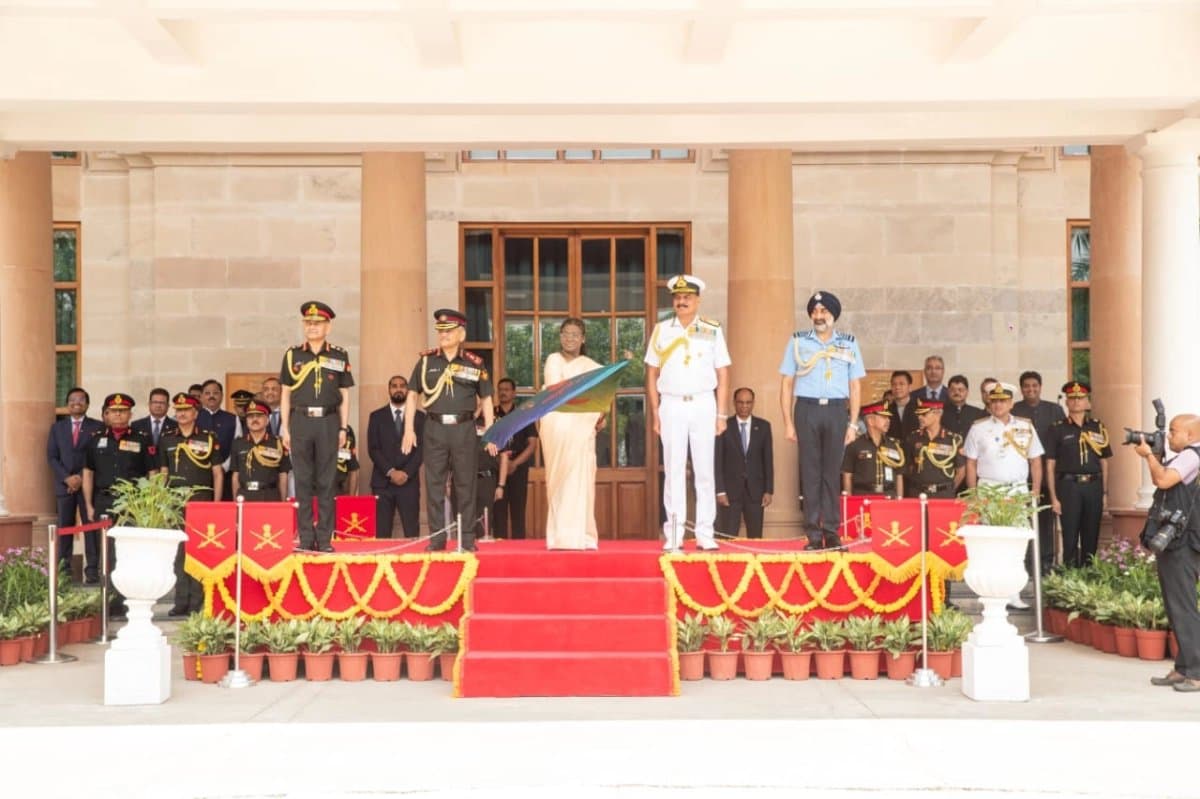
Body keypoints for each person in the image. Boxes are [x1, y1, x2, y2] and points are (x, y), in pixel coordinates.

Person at [645, 276, 731, 552]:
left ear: (697, 300)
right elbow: (651, 372)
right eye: (678, 298)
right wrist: (656, 412)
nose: (681, 302)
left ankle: (705, 532)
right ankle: (674, 533)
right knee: (673, 470)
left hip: (704, 403)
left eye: (687, 298)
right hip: (671, 404)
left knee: (705, 470)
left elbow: (723, 371)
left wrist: (721, 414)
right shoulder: (661, 330)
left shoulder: (711, 329)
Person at [401, 308, 495, 552]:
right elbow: (412, 395)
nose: (443, 335)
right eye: (440, 331)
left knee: (465, 484)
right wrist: (409, 429)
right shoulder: (426, 362)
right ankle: (437, 538)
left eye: (449, 331)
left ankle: (466, 539)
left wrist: (491, 431)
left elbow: (486, 399)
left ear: (461, 334)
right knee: (434, 484)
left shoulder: (474, 363)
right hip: (434, 428)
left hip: (464, 428)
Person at [779, 290, 864, 550]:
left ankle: (832, 532)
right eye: (815, 312)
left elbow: (856, 385)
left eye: (824, 312)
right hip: (807, 410)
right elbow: (786, 383)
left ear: (833, 315)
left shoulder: (849, 343)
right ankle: (814, 535)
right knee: (811, 473)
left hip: (837, 411)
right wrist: (788, 423)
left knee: (831, 473)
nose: (819, 316)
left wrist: (853, 423)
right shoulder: (797, 341)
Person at [280, 301, 354, 552]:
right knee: (302, 480)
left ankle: (324, 539)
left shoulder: (338, 355)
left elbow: (344, 393)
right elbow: (286, 393)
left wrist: (343, 428)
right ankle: (305, 537)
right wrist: (285, 427)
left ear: (328, 327)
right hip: (300, 420)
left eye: (317, 323)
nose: (312, 327)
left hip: (328, 421)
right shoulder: (293, 355)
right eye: (308, 323)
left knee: (327, 480)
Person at [963, 382, 1044, 610]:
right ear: (989, 403)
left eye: (1002, 401)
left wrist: (1035, 489)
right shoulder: (978, 428)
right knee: (991, 542)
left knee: (1017, 542)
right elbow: (970, 463)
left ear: (1010, 403)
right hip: (989, 489)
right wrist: (974, 494)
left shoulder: (1025, 427)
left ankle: (1014, 592)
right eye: (994, 401)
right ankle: (989, 591)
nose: (998, 405)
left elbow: (1036, 459)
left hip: (1017, 490)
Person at [1136, 415, 1200, 692]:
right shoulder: (1187, 456)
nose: (1169, 436)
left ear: (1190, 434)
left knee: (1183, 607)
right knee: (1176, 605)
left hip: (1182, 541)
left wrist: (1149, 455)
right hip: (1178, 539)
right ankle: (1183, 667)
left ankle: (1195, 672)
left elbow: (1162, 481)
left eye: (1173, 432)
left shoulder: (1190, 456)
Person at [81, 393, 156, 618]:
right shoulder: (95, 440)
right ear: (107, 414)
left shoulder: (142, 439)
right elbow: (87, 473)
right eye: (114, 411)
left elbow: (151, 474)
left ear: (130, 414)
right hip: (104, 500)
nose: (118, 414)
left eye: (122, 411)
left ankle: (131, 600)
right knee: (108, 553)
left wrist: (147, 504)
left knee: (130, 553)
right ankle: (110, 602)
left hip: (132, 502)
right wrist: (89, 505)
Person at [541, 318, 605, 550]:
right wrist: (587, 401)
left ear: (583, 338)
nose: (570, 338)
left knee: (582, 480)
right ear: (560, 336)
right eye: (566, 333)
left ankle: (583, 536)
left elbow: (602, 395)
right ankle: (560, 537)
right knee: (560, 480)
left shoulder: (591, 366)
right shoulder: (553, 360)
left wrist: (600, 412)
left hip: (582, 429)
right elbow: (557, 392)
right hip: (557, 427)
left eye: (575, 334)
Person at [157, 393, 223, 616]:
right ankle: (181, 601)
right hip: (175, 502)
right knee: (179, 554)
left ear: (196, 413)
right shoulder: (167, 438)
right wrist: (162, 503)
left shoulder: (208, 438)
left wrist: (216, 503)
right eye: (179, 410)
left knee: (199, 550)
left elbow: (217, 473)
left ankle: (198, 601)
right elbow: (163, 473)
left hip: (201, 501)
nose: (181, 413)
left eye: (186, 410)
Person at [1045, 382, 1112, 568]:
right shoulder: (1057, 428)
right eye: (1072, 398)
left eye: (1080, 398)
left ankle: (1089, 576)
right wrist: (1054, 497)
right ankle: (1069, 575)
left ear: (1088, 402)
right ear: (1066, 402)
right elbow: (1050, 464)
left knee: (1091, 534)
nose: (1076, 402)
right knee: (1070, 535)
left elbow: (1104, 461)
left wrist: (1105, 493)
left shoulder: (1098, 427)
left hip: (1093, 486)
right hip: (1069, 487)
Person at [46, 387, 104, 580]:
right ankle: (64, 570)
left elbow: (97, 456)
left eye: (80, 399)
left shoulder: (97, 427)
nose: (76, 403)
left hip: (88, 484)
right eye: (72, 399)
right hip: (64, 485)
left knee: (90, 526)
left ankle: (92, 570)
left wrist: (80, 478)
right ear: (67, 404)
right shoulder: (57, 427)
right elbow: (52, 457)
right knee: (64, 526)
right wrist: (67, 478)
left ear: (87, 404)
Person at [1013, 370, 1065, 575]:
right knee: (1021, 520)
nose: (1031, 389)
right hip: (1020, 476)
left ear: (1040, 387)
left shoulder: (1054, 410)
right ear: (1022, 389)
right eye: (1027, 386)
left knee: (1045, 521)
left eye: (1034, 385)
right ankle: (1024, 560)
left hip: (1047, 476)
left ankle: (1045, 561)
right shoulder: (1015, 410)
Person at [367, 375, 424, 539]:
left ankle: (414, 564)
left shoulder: (420, 418)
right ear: (389, 389)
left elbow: (422, 449)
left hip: (409, 482)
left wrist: (406, 473)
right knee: (382, 533)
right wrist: (391, 472)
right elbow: (373, 449)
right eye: (394, 386)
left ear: (407, 389)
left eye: (402, 385)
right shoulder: (376, 416)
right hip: (382, 483)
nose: (398, 389)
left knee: (412, 531)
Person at [715, 387, 774, 538]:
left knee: (755, 538)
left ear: (753, 403)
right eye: (740, 402)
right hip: (730, 493)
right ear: (734, 403)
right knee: (727, 536)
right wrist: (720, 490)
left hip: (755, 492)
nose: (744, 406)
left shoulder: (763, 427)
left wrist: (768, 490)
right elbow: (718, 461)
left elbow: (768, 460)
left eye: (748, 402)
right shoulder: (724, 426)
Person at [492, 377, 538, 540]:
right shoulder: (491, 414)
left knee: (518, 511)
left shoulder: (523, 415)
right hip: (497, 468)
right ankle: (499, 547)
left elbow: (532, 444)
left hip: (518, 469)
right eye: (500, 389)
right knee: (498, 512)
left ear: (514, 393)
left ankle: (520, 548)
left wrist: (514, 463)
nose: (503, 392)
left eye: (506, 389)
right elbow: (485, 442)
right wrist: (500, 461)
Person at [229, 400, 291, 502]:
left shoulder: (278, 443)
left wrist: (283, 503)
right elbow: (235, 476)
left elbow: (283, 475)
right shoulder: (238, 443)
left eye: (259, 416)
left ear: (267, 420)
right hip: (245, 495)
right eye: (250, 417)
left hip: (270, 495)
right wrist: (235, 501)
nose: (254, 419)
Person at [841, 401, 905, 497]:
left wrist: (899, 500)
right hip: (863, 496)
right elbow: (847, 475)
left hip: (888, 496)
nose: (888, 420)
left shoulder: (894, 445)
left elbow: (899, 475)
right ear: (870, 420)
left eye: (888, 417)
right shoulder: (855, 445)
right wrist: (849, 500)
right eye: (883, 417)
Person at [905, 398, 965, 499]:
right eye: (919, 414)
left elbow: (961, 471)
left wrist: (948, 489)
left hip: (943, 495)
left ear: (938, 414)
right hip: (918, 493)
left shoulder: (953, 439)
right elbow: (910, 467)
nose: (920, 417)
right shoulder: (913, 438)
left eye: (924, 414)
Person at [942, 374, 985, 440]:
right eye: (953, 390)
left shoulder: (978, 413)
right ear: (948, 392)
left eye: (960, 390)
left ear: (967, 392)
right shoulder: (940, 413)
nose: (956, 393)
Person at [886, 370, 920, 442]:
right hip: (894, 450)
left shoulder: (920, 408)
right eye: (894, 384)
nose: (897, 387)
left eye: (901, 384)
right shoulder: (886, 411)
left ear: (910, 387)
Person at [334, 424, 360, 495]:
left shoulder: (348, 430)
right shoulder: (318, 426)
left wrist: (351, 501)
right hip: (316, 492)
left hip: (339, 489)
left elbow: (353, 468)